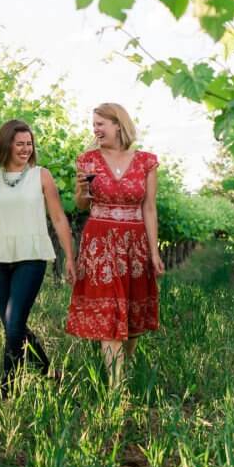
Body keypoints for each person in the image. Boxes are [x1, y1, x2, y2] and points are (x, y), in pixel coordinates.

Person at [0, 119, 76, 399]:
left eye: (29, 144)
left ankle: (8, 392)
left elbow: (57, 216)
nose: (25, 148)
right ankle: (47, 371)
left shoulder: (41, 176)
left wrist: (69, 257)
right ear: (6, 143)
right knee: (11, 326)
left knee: (15, 321)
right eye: (19, 143)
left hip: (31, 255)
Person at [65, 103, 164, 389]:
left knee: (131, 312)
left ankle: (125, 368)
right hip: (100, 241)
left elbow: (149, 208)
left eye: (101, 124)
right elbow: (82, 205)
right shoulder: (87, 160)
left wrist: (154, 252)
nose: (95, 129)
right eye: (93, 124)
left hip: (135, 242)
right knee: (110, 312)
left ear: (118, 124)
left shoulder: (146, 161)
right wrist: (83, 190)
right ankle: (115, 385)